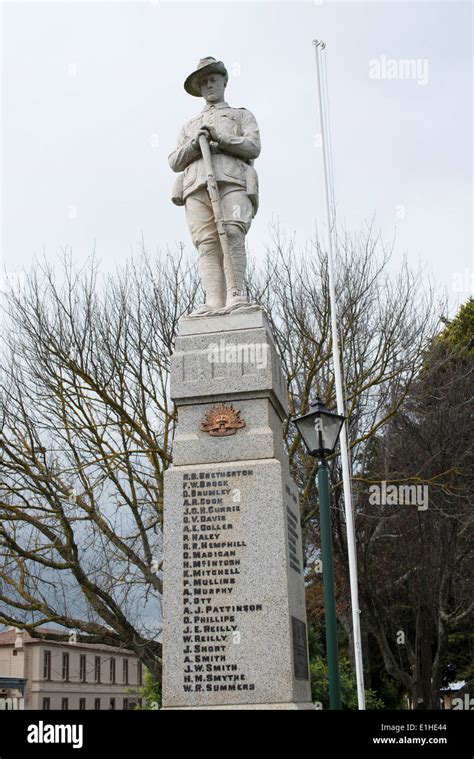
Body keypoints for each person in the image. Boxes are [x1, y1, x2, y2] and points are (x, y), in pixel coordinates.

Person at [169, 57, 261, 315]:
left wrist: (222, 138)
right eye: (204, 82)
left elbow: (253, 146)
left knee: (232, 232)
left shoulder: (241, 115)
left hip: (232, 180)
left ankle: (236, 294)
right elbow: (174, 161)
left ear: (224, 81)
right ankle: (213, 300)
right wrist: (193, 145)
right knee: (207, 243)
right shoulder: (189, 126)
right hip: (197, 186)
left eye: (213, 79)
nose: (209, 85)